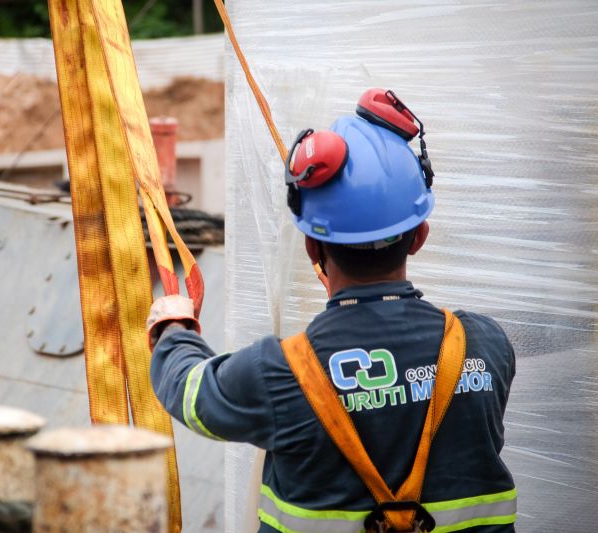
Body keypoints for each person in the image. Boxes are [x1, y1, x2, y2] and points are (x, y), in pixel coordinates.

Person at [147, 89, 516, 533]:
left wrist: (174, 327)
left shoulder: (280, 374)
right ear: (419, 236)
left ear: (311, 248)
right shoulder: (485, 347)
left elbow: (189, 393)